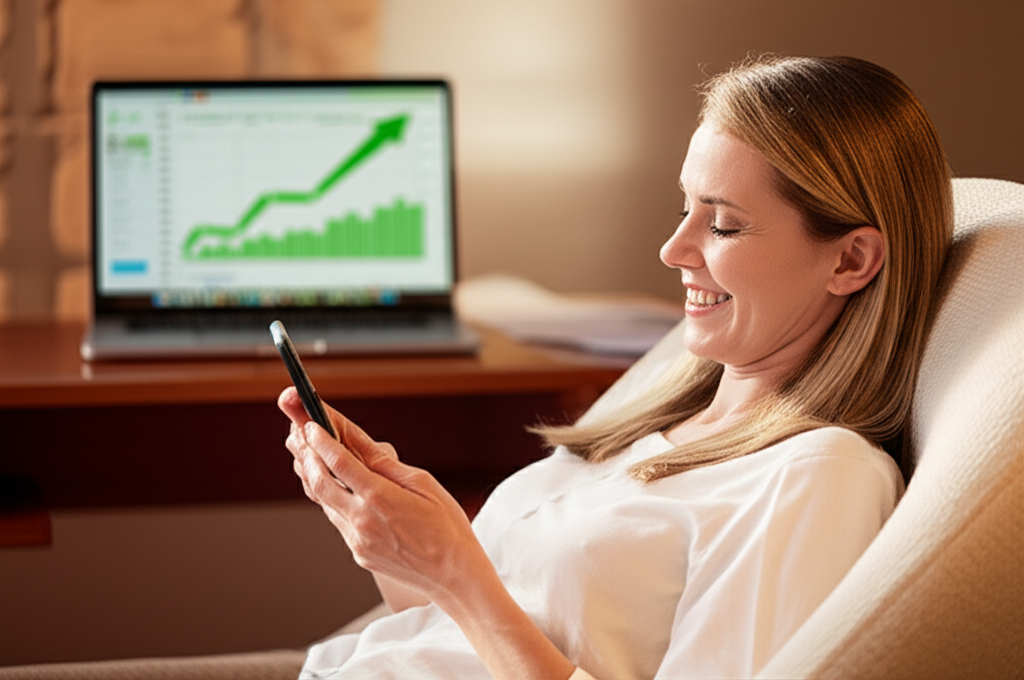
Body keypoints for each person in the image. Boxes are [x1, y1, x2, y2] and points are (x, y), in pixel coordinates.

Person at [279, 54, 953, 679]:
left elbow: (479, 614)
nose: (672, 249)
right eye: (684, 209)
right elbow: (451, 641)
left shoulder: (817, 477)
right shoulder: (663, 416)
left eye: (722, 225)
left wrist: (457, 572)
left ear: (850, 261)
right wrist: (390, 530)